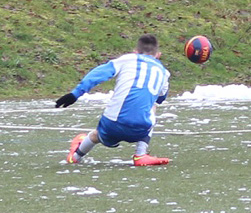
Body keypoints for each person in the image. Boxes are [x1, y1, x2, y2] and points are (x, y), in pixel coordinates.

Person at [55, 34, 171, 166]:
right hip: (141, 128)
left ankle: (75, 156)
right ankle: (141, 154)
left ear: (135, 52)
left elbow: (100, 73)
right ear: (158, 55)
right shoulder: (164, 72)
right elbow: (161, 98)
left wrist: (75, 94)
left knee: (97, 135)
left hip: (113, 124)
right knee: (153, 105)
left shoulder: (128, 59)